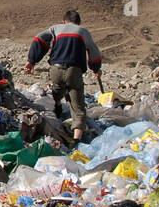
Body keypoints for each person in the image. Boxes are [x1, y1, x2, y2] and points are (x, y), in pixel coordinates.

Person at [24, 10, 103, 142]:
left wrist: (31, 61)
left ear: (64, 21)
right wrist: (96, 68)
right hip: (74, 70)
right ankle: (76, 140)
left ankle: (57, 105)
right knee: (78, 106)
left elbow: (39, 39)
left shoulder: (55, 29)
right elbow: (93, 50)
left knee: (57, 89)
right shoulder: (83, 32)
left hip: (56, 69)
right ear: (79, 22)